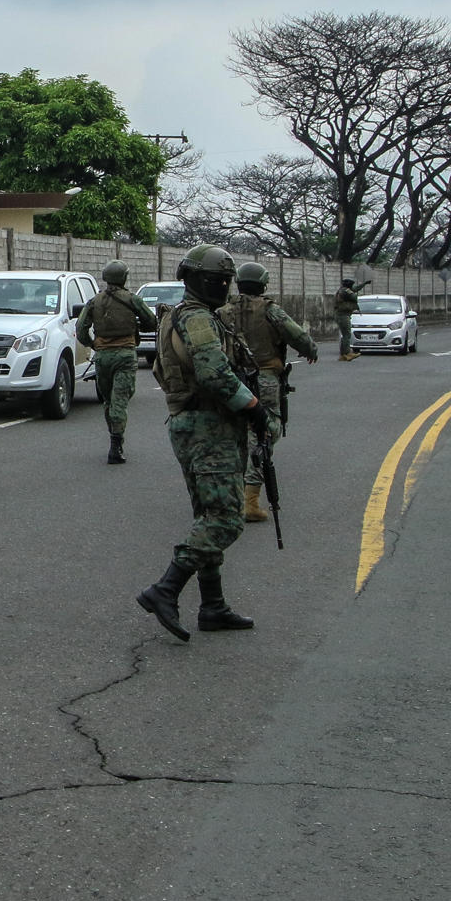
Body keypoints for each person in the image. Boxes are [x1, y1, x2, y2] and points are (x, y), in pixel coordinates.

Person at [135, 244, 263, 639]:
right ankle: (166, 588)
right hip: (208, 426)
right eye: (215, 280)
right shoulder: (198, 320)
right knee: (225, 518)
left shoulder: (188, 316)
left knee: (207, 515)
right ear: (191, 279)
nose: (223, 286)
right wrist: (252, 406)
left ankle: (212, 606)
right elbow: (214, 373)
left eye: (226, 281)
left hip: (194, 423)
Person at [218, 261, 318, 521]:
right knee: (264, 433)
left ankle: (229, 496)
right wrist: (310, 351)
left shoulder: (222, 311)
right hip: (264, 379)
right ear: (263, 284)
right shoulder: (269, 310)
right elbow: (297, 335)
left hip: (230, 380)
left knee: (232, 434)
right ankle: (250, 501)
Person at [74, 258, 158, 463]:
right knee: (120, 400)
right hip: (125, 355)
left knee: (109, 401)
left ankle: (114, 437)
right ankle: (115, 444)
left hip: (102, 356)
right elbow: (151, 321)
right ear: (124, 277)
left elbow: (80, 329)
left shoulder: (94, 301)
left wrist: (94, 345)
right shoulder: (132, 299)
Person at [333, 276, 363, 360]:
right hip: (342, 315)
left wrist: (364, 284)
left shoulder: (344, 290)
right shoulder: (344, 291)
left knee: (345, 334)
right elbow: (354, 297)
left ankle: (343, 355)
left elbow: (356, 289)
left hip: (342, 314)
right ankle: (347, 353)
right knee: (347, 334)